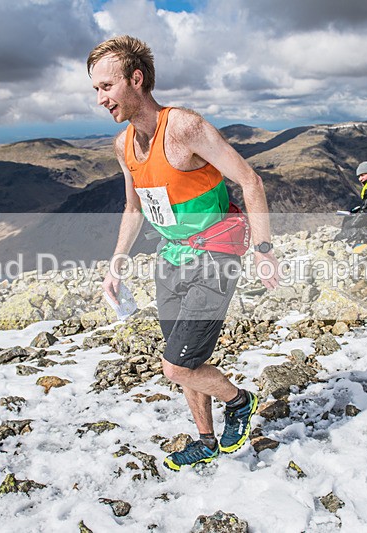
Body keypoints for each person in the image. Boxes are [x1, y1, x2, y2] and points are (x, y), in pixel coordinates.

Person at [87, 35, 280, 471]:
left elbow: (250, 181)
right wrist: (116, 265)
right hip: (171, 257)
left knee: (174, 366)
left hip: (216, 255)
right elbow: (133, 208)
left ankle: (240, 401)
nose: (100, 99)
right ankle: (206, 440)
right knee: (189, 356)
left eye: (106, 86)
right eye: (95, 90)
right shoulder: (123, 146)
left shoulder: (184, 128)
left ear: (136, 79)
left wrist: (264, 249)